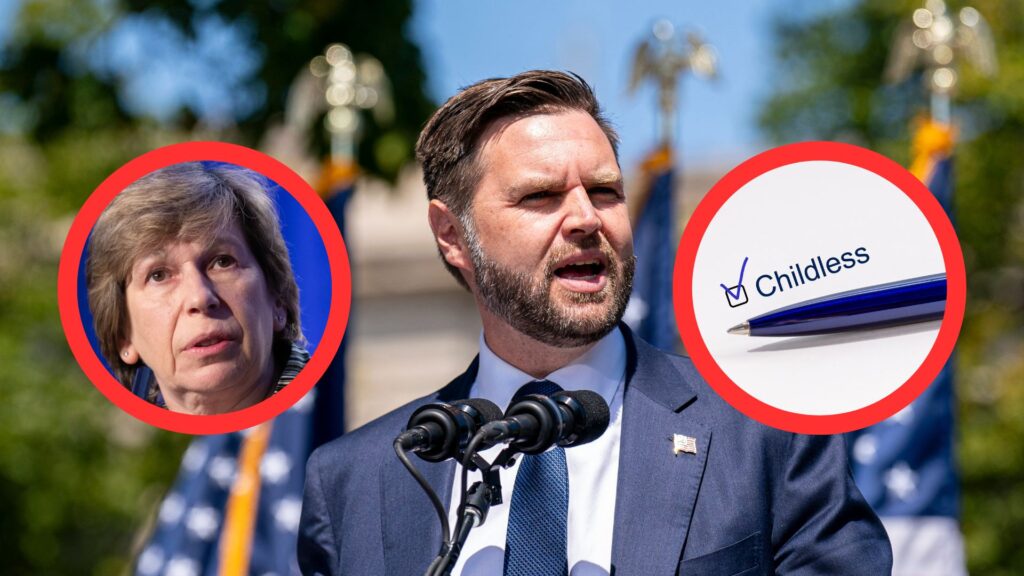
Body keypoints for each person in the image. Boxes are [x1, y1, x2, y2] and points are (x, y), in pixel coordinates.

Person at [298, 71, 892, 575]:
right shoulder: (356, 478)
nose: (586, 218)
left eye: (605, 190)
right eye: (541, 197)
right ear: (452, 235)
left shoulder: (767, 429)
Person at [86, 162, 309, 415]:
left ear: (277, 300)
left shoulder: (321, 419)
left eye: (223, 262)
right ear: (123, 336)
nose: (199, 297)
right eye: (158, 275)